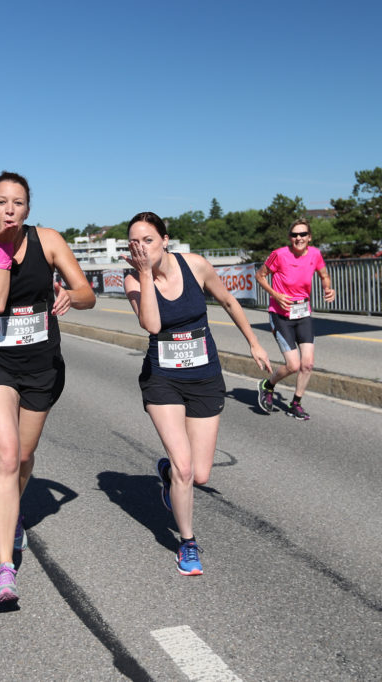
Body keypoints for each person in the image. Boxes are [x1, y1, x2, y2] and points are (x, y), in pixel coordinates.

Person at [0, 171, 95, 604]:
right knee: (4, 454)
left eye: (18, 202)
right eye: (1, 202)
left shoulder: (50, 240)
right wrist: (2, 252)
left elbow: (87, 292)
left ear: (28, 208)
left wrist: (70, 297)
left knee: (22, 455)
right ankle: (5, 568)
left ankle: (12, 509)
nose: (9, 209)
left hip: (40, 366)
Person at [122, 211, 271, 577]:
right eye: (133, 243)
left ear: (165, 240)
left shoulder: (196, 266)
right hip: (163, 379)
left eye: (148, 241)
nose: (140, 248)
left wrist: (254, 344)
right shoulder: (132, 280)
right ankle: (187, 542)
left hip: (204, 377)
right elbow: (153, 324)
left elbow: (229, 302)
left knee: (200, 475)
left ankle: (167, 473)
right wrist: (143, 273)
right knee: (185, 468)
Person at [255, 219, 336, 420]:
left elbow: (324, 274)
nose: (298, 238)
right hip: (280, 314)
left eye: (302, 234)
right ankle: (268, 385)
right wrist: (275, 294)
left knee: (307, 364)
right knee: (293, 365)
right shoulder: (279, 254)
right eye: (294, 235)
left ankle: (295, 404)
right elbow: (260, 276)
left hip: (303, 312)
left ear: (309, 237)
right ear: (290, 238)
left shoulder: (315, 254)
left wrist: (328, 288)